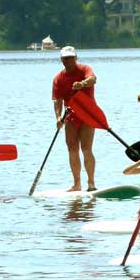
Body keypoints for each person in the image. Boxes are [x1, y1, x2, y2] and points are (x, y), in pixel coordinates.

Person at [52, 45, 97, 191]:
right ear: (61, 60)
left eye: (70, 58)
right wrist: (58, 117)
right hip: (70, 115)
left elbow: (92, 79)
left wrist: (82, 84)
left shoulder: (84, 69)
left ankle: (91, 183)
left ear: (75, 58)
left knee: (86, 148)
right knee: (72, 149)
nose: (68, 61)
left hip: (87, 113)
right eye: (65, 59)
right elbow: (57, 100)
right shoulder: (58, 78)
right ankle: (77, 184)